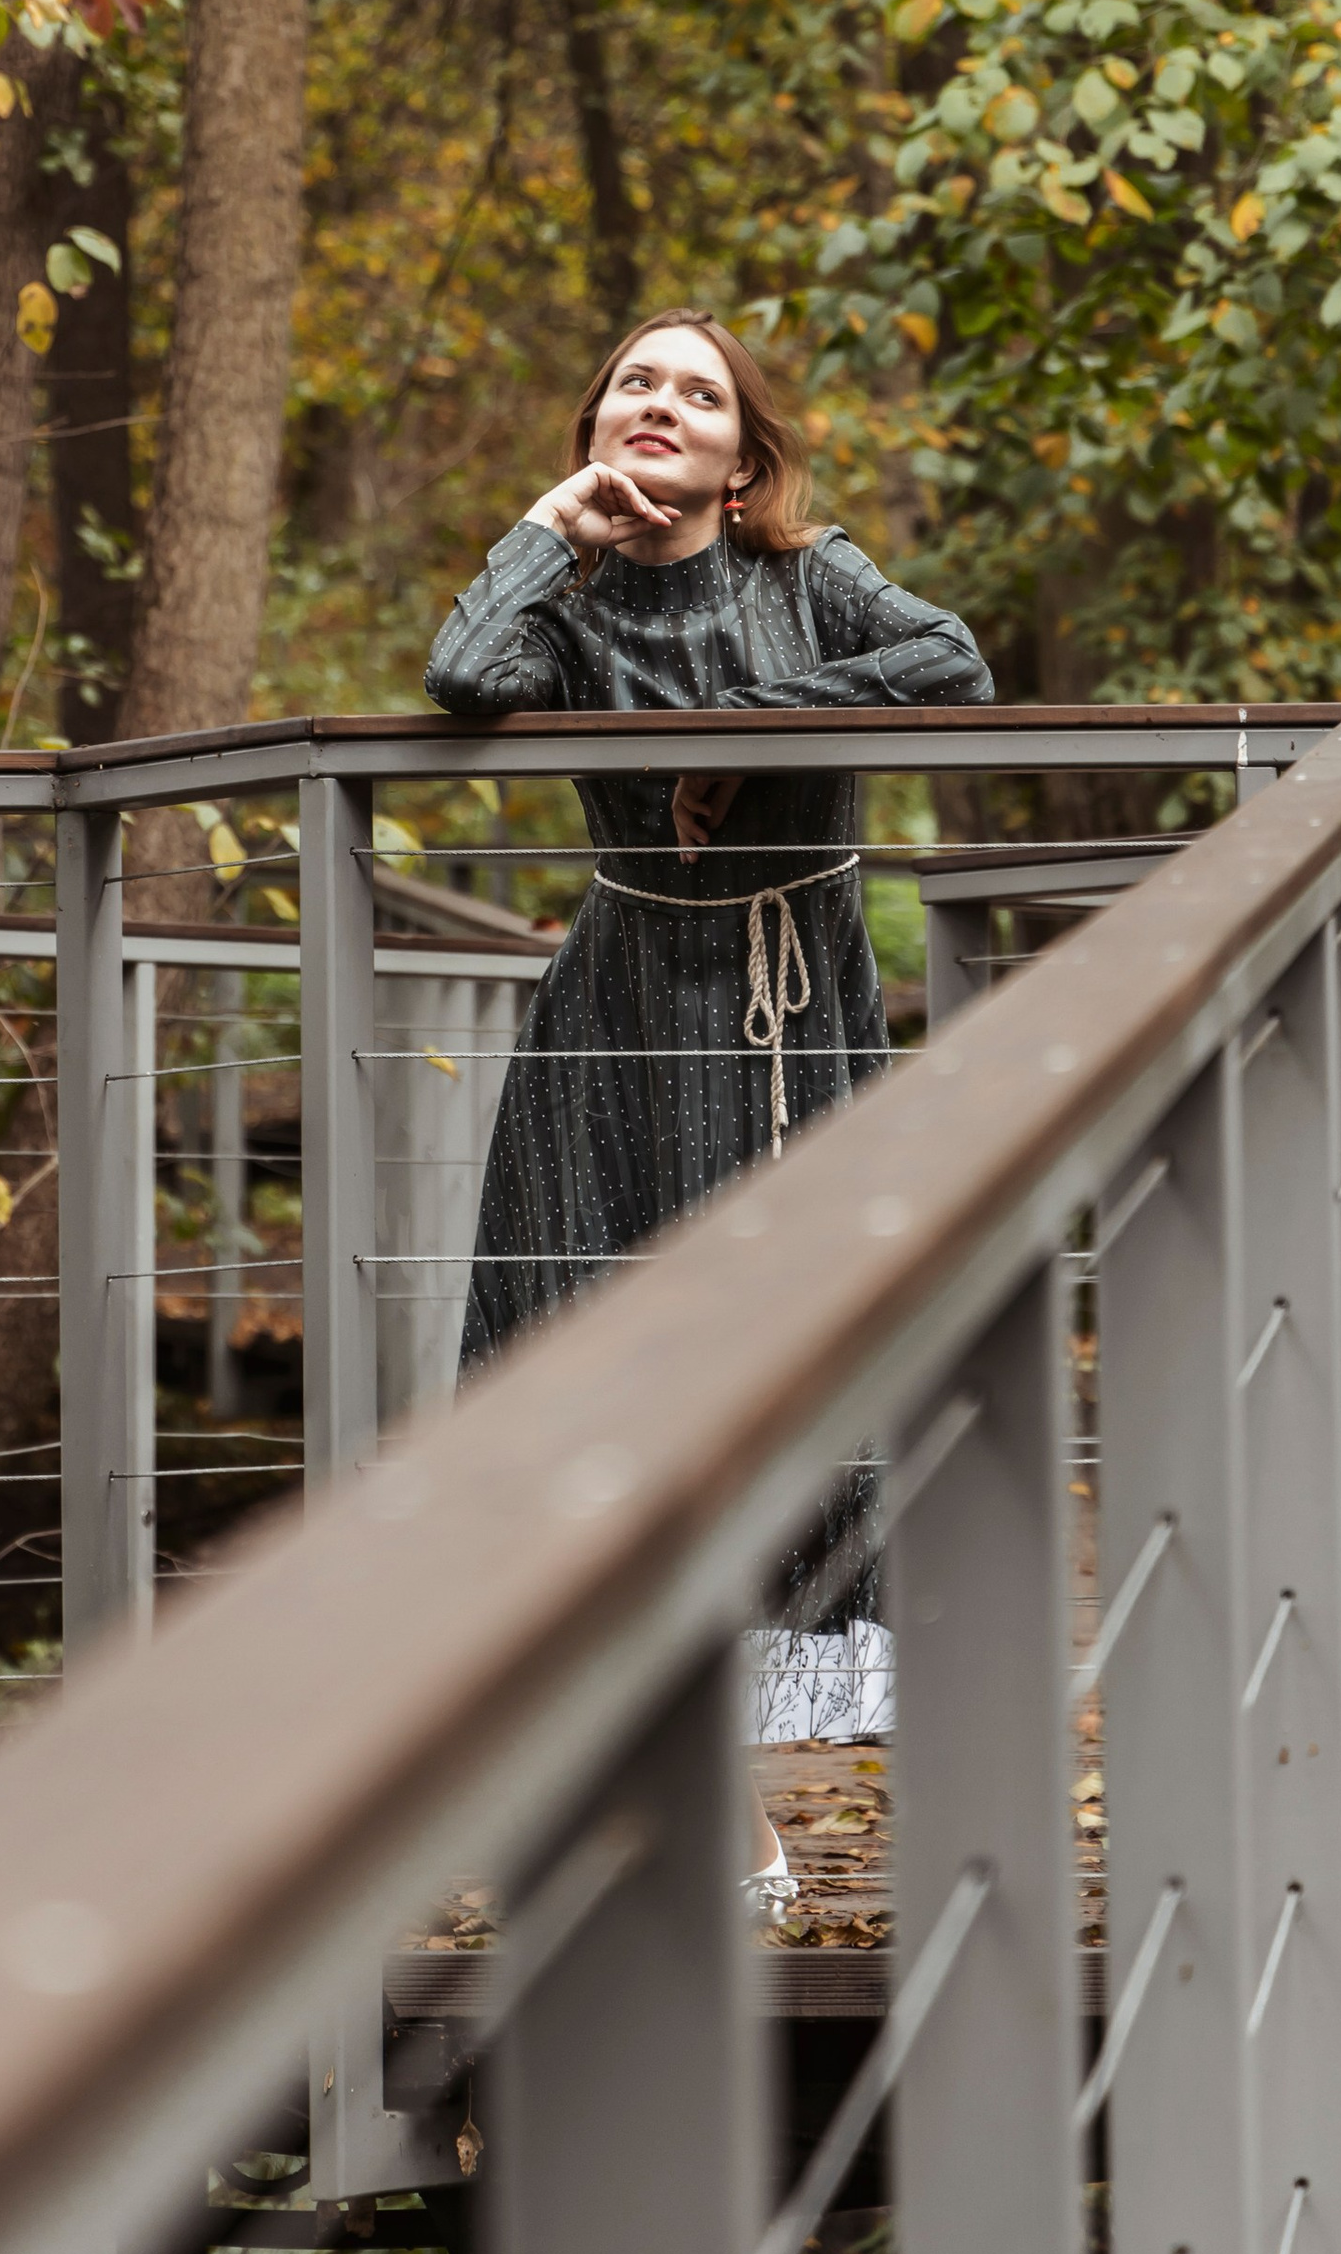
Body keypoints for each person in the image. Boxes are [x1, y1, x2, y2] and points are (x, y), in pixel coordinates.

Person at [424, 309, 992, 1907]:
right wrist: (548, 528)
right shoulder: (572, 598)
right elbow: (465, 677)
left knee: (772, 1393)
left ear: (748, 459)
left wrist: (753, 735)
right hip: (613, 1018)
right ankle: (661, 1802)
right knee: (573, 1380)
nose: (661, 405)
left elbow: (955, 664)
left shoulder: (813, 578)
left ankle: (698, 1801)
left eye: (699, 391)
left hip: (790, 1014)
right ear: (597, 428)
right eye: (632, 386)